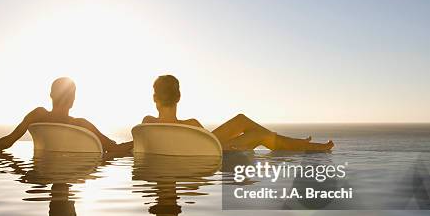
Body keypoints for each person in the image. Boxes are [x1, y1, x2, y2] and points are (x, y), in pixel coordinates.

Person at [142, 75, 334, 152]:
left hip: (202, 147)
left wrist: (116, 148)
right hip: (209, 151)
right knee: (259, 135)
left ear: (154, 98)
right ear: (179, 97)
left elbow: (135, 145)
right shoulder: (191, 124)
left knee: (242, 120)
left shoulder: (148, 123)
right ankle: (305, 146)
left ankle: (299, 144)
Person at [0, 77, 132, 153]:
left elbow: (8, 141)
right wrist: (138, 142)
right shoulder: (81, 124)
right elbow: (114, 149)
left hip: (41, 171)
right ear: (73, 100)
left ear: (51, 95)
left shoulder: (38, 115)